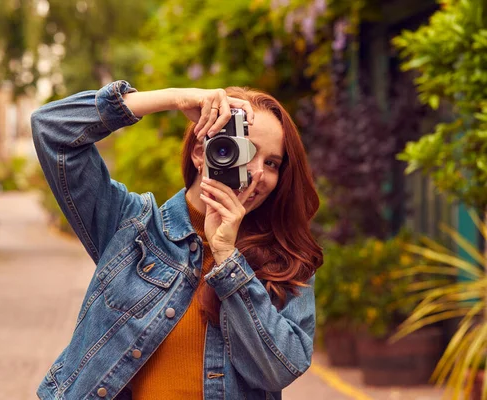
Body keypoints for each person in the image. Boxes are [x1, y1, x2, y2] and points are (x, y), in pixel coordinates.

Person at [31, 80, 323, 400]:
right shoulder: (133, 228)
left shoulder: (286, 259)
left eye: (272, 163)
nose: (256, 172)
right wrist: (173, 97)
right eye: (244, 151)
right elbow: (52, 128)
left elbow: (280, 369)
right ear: (202, 152)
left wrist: (227, 258)